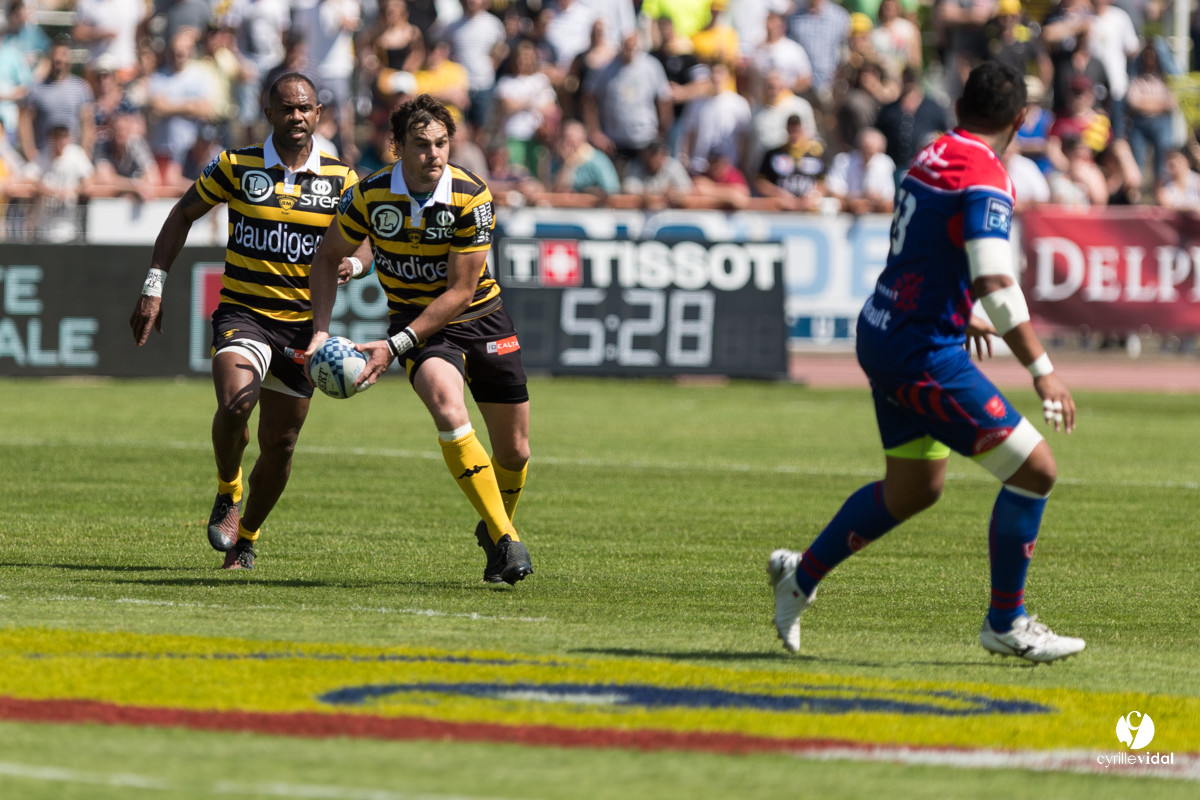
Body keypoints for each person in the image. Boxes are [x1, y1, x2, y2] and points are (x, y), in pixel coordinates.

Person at [768, 61, 1085, 664]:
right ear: (1020, 119)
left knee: (914, 488)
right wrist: (1043, 368)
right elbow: (994, 277)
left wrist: (957, 312)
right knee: (1036, 470)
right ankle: (1006, 622)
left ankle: (800, 574)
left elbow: (919, 250)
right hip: (921, 352)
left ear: (961, 106)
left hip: (886, 329)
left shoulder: (931, 154)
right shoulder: (986, 174)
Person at [129, 73, 368, 571]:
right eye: (287, 108)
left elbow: (363, 236)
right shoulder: (237, 166)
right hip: (243, 314)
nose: (297, 116)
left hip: (303, 328)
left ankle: (247, 540)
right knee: (236, 403)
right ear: (268, 113)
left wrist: (355, 263)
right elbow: (182, 214)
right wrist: (154, 286)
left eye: (306, 108)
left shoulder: (343, 178)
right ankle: (227, 490)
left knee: (280, 446)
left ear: (319, 114)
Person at [304, 93, 535, 586]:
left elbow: (461, 291)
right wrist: (321, 331)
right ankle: (507, 538)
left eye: (442, 143)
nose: (434, 154)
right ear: (397, 147)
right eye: (421, 144)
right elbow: (325, 258)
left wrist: (392, 346)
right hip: (418, 326)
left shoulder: (472, 195)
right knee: (450, 411)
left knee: (515, 452)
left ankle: (494, 529)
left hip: (482, 318)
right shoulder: (367, 195)